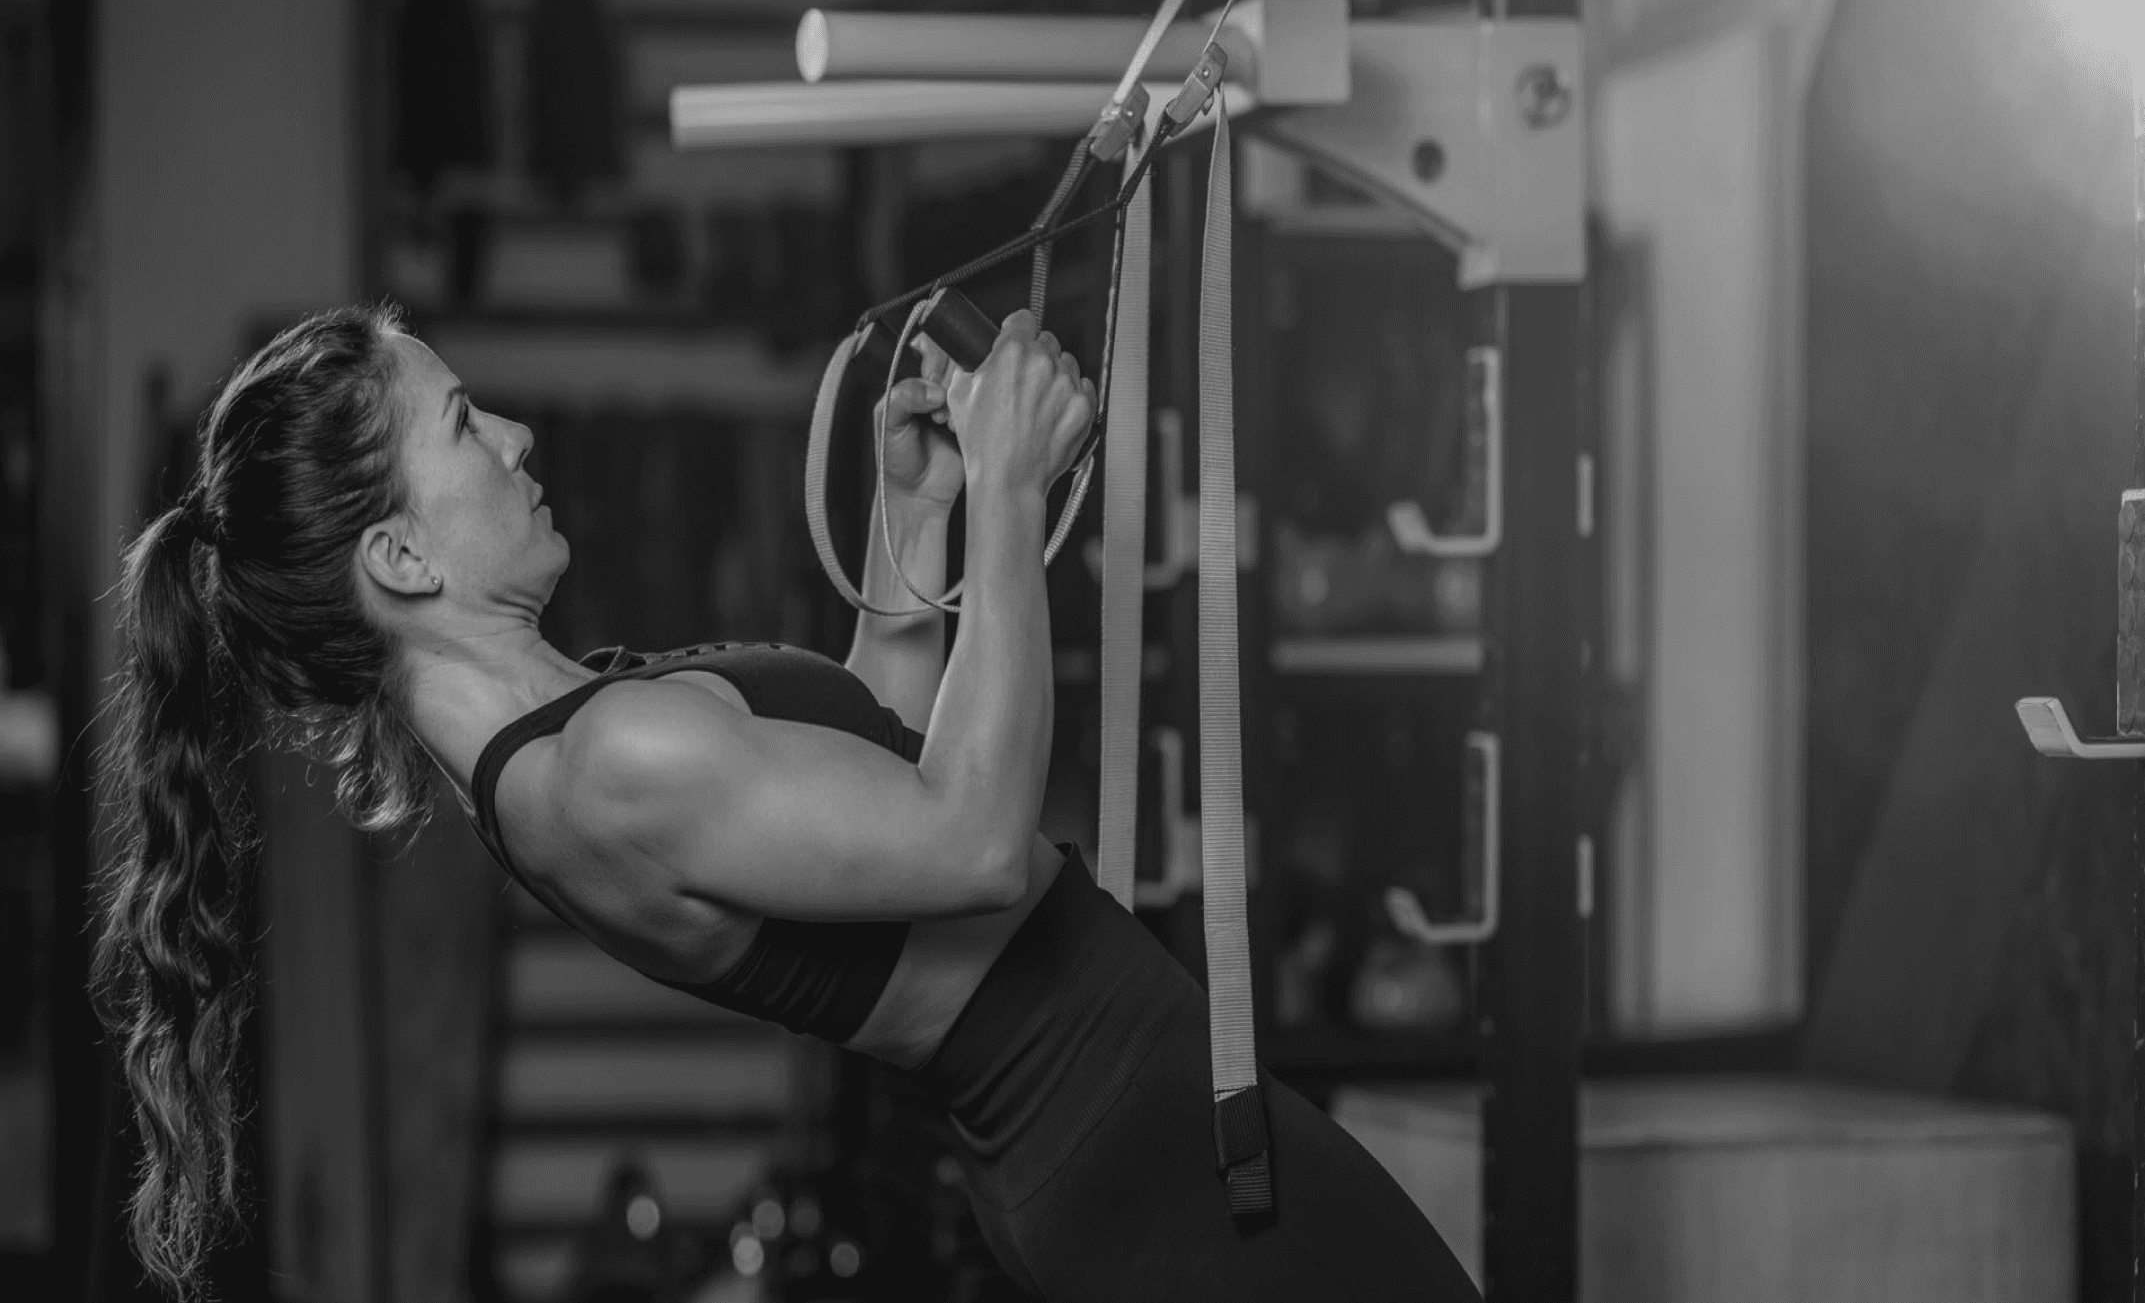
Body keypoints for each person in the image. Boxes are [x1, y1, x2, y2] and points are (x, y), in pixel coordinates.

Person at [92, 303, 1480, 1302]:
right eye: (462, 421)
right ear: (398, 557)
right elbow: (976, 843)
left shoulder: (579, 732)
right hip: (1128, 1147)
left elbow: (873, 770)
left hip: (1126, 1119)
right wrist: (1008, 493)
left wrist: (915, 522)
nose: (514, 434)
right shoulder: (605, 763)